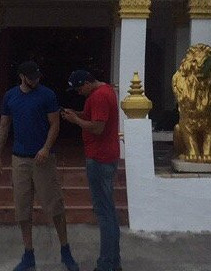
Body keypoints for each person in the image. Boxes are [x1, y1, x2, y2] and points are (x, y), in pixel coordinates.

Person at [0, 60, 79, 271]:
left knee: (55, 205)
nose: (35, 80)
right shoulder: (10, 96)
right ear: (22, 77)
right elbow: (4, 125)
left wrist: (46, 148)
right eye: (31, 77)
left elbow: (55, 124)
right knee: (22, 208)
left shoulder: (47, 95)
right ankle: (28, 253)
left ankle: (65, 249)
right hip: (19, 157)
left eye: (37, 76)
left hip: (43, 158)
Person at [61, 70, 121, 271]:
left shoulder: (99, 96)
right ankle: (114, 262)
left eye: (79, 88)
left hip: (100, 158)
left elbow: (97, 128)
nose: (78, 92)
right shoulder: (105, 90)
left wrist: (75, 121)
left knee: (104, 213)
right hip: (106, 156)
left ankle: (105, 265)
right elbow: (92, 116)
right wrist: (75, 113)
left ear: (87, 83)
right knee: (109, 213)